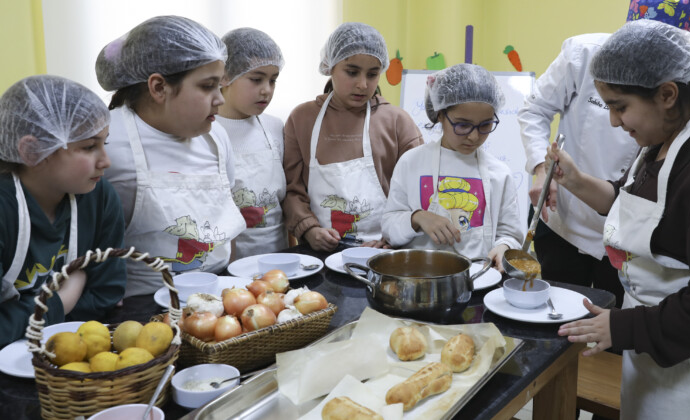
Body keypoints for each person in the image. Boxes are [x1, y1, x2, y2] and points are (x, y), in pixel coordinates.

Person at [553, 20, 690, 419]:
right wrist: (574, 180)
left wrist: (622, 328)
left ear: (667, 95)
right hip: (664, 350)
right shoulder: (662, 144)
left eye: (620, 107)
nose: (614, 121)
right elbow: (631, 205)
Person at [517, 0, 690, 308]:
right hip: (565, 219)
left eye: (620, 108)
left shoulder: (686, 94)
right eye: (612, 106)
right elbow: (534, 109)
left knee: (612, 322)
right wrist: (542, 168)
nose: (615, 121)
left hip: (628, 235)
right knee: (556, 313)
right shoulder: (586, 54)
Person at [96, 15, 245, 297]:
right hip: (143, 308)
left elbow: (226, 222)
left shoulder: (216, 136)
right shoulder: (107, 142)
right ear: (158, 87)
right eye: (207, 86)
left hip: (217, 297)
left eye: (220, 86)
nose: (220, 99)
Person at [0, 75, 126, 347]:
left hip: (71, 350)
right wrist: (63, 299)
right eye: (89, 147)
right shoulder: (4, 209)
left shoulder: (99, 197)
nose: (106, 161)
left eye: (104, 143)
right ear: (32, 151)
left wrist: (19, 320)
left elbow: (107, 293)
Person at [282, 22, 423, 252]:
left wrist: (393, 236)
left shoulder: (397, 122)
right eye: (352, 72)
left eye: (373, 74)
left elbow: (416, 193)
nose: (362, 84)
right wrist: (309, 229)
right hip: (318, 253)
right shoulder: (302, 119)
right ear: (330, 67)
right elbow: (291, 189)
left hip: (383, 253)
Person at [382, 64, 524, 271]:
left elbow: (510, 234)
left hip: (478, 277)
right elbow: (389, 228)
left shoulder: (500, 173)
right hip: (418, 275)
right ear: (440, 114)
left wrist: (504, 247)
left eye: (485, 125)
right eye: (463, 125)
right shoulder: (411, 162)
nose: (473, 136)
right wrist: (418, 217)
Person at [215, 28, 288, 259]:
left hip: (280, 260)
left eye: (273, 80)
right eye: (256, 79)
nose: (267, 90)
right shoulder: (207, 131)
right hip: (229, 264)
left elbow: (286, 204)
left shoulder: (275, 127)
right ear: (225, 76)